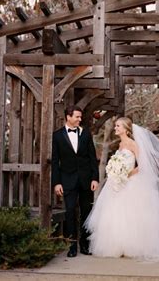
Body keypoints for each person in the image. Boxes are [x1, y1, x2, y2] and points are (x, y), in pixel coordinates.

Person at [85, 117, 159, 260]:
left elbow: (144, 165)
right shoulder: (120, 144)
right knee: (115, 215)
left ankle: (132, 247)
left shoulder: (133, 144)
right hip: (116, 184)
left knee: (131, 215)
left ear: (126, 129)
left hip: (131, 183)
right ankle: (117, 246)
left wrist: (127, 174)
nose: (115, 128)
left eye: (118, 126)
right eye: (115, 126)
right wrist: (115, 173)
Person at [51, 105, 99, 257]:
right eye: (77, 116)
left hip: (86, 180)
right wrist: (56, 182)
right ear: (68, 117)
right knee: (70, 212)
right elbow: (54, 161)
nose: (80, 119)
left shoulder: (86, 134)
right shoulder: (57, 136)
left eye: (80, 116)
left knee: (86, 212)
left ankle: (85, 245)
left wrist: (95, 178)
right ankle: (71, 247)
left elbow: (93, 157)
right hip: (67, 180)